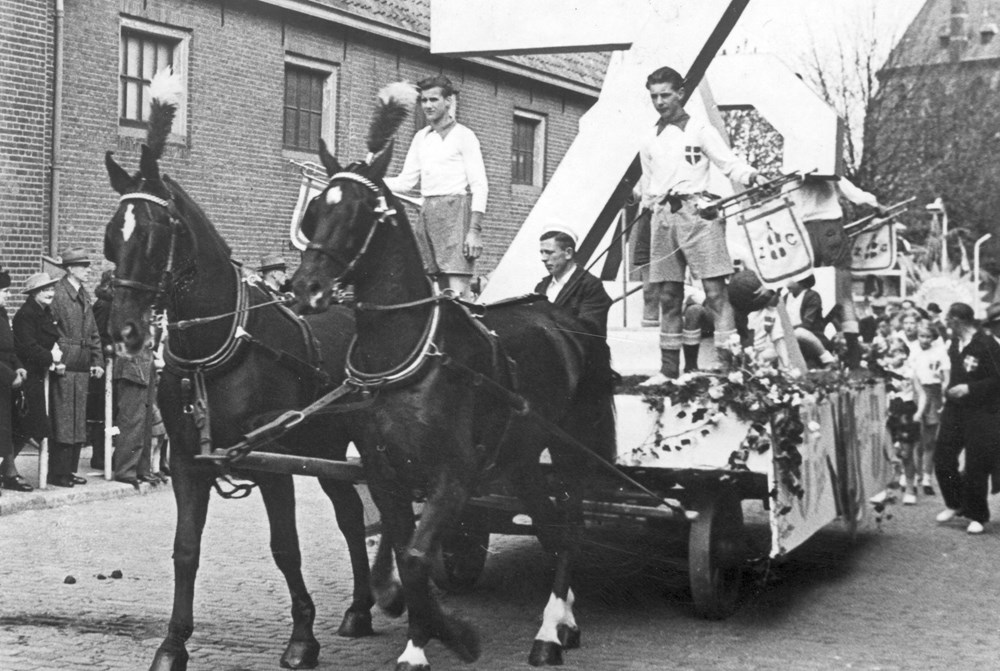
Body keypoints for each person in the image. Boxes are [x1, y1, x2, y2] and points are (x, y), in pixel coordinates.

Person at [637, 66, 762, 385]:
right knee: (668, 294)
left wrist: (753, 176)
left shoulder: (700, 129)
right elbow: (649, 185)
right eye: (654, 96)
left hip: (699, 213)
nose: (660, 102)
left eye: (665, 94)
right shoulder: (649, 137)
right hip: (664, 217)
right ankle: (668, 370)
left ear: (680, 93)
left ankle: (730, 367)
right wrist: (645, 202)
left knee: (715, 292)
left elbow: (729, 163)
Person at [384, 75, 488, 297]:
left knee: (457, 293)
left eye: (434, 100)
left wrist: (474, 231)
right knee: (432, 291)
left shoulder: (464, 136)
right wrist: (371, 179)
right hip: (427, 213)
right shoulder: (421, 137)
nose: (428, 106)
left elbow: (480, 185)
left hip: (456, 212)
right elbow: (405, 182)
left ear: (448, 101)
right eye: (423, 101)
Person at [786, 174, 884, 369]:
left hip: (803, 232)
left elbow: (783, 203)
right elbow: (854, 194)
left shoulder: (791, 173)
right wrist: (875, 204)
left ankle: (811, 345)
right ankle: (854, 358)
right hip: (830, 229)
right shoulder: (827, 167)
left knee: (804, 288)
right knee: (844, 296)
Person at [934, 302, 1000, 535]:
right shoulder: (953, 343)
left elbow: (996, 381)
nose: (946, 324)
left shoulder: (987, 345)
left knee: (976, 465)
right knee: (942, 456)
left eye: (948, 320)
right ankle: (955, 502)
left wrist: (969, 389)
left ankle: (978, 516)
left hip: (982, 412)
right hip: (955, 409)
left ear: (957, 320)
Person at [49, 249, 104, 486]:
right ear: (70, 268)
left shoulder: (83, 295)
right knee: (63, 418)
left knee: (77, 418)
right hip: (65, 360)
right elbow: (48, 328)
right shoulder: (59, 293)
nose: (88, 270)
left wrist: (97, 360)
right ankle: (58, 472)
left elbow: (93, 332)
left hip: (81, 362)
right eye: (83, 266)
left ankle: (69, 470)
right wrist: (55, 358)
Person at [5, 273, 62, 487]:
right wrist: (51, 357)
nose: (50, 293)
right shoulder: (26, 315)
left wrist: (54, 357)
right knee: (25, 425)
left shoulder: (44, 312)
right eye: (44, 290)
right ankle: (8, 470)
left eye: (51, 289)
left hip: (38, 374)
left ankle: (7, 469)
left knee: (29, 426)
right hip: (26, 375)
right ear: (34, 293)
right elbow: (27, 348)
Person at [535, 226, 612, 338]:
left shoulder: (591, 286)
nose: (543, 258)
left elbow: (590, 332)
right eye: (542, 252)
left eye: (549, 252)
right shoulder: (541, 287)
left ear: (568, 253)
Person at [884, 340, 926, 506]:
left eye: (896, 352)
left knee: (906, 452)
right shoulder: (884, 374)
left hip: (907, 412)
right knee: (888, 452)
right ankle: (886, 488)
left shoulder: (910, 372)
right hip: (890, 412)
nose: (893, 357)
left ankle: (910, 487)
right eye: (890, 353)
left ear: (904, 354)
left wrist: (919, 412)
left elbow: (922, 394)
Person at [910, 322, 950, 496]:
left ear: (934, 338)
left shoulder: (940, 351)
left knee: (929, 439)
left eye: (928, 337)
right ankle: (914, 475)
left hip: (933, 392)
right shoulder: (912, 349)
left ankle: (927, 476)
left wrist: (943, 391)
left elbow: (946, 375)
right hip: (917, 391)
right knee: (915, 438)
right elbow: (909, 373)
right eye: (921, 336)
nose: (924, 340)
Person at [0, 265, 28, 494]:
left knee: (8, 429)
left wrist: (18, 367)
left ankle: (8, 472)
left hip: (6, 381)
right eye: (4, 291)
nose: (8, 295)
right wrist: (9, 376)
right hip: (2, 378)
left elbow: (9, 348)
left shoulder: (2, 314)